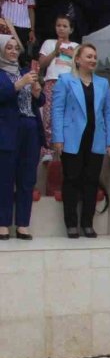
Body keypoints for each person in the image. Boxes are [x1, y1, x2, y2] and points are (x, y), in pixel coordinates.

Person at [51, 43, 110, 238]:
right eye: (89, 56)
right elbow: (57, 110)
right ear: (77, 59)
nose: (93, 60)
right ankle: (71, 224)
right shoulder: (65, 80)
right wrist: (58, 137)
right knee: (72, 180)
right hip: (72, 138)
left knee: (91, 180)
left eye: (95, 57)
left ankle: (87, 223)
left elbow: (108, 112)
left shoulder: (103, 83)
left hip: (95, 138)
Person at [0, 34, 42, 239]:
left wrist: (36, 91)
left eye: (16, 48)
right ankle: (3, 223)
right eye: (9, 48)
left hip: (30, 126)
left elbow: (39, 100)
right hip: (8, 128)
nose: (14, 51)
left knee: (27, 178)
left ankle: (23, 223)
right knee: (5, 178)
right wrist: (18, 84)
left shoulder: (26, 72)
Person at [36, 15, 77, 161]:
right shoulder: (49, 43)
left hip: (70, 84)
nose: (61, 28)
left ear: (71, 29)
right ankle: (47, 150)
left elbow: (83, 68)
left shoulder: (76, 46)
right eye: (58, 25)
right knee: (48, 116)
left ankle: (64, 149)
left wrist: (73, 56)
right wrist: (55, 52)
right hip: (52, 81)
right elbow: (41, 64)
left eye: (65, 26)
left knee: (67, 116)